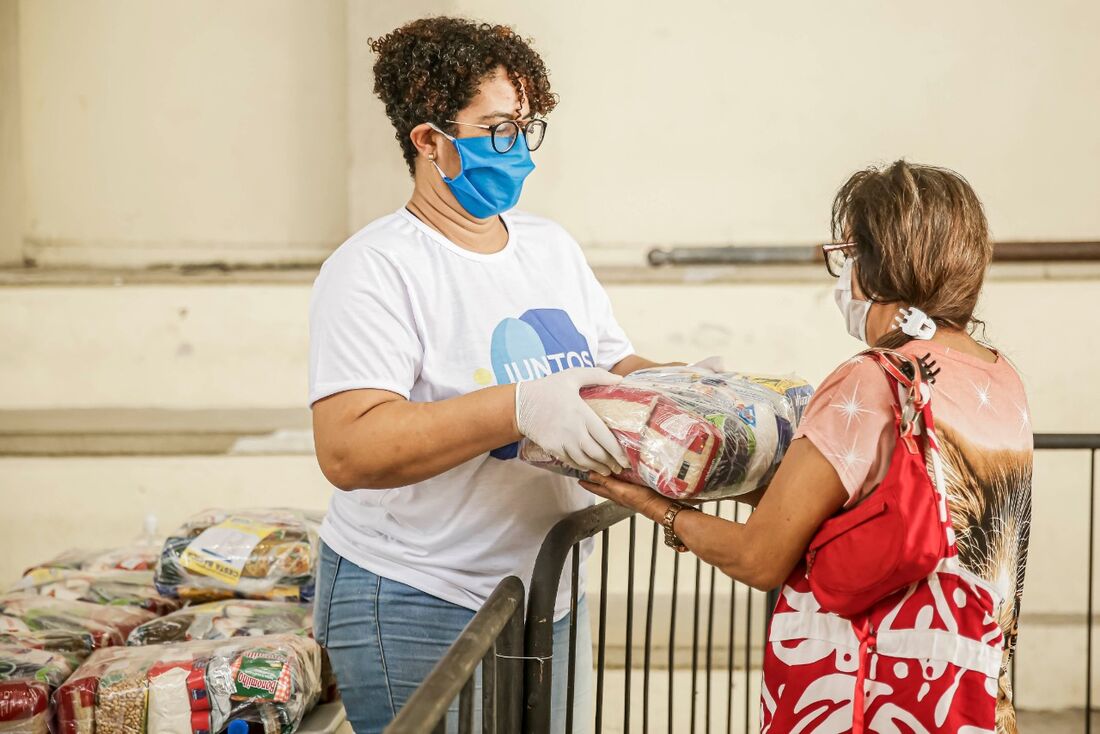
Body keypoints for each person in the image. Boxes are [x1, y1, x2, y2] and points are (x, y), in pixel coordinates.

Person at [308, 17, 694, 733]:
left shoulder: (548, 248)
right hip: (422, 597)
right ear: (430, 140)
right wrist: (516, 407)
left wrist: (688, 390)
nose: (519, 151)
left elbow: (613, 364)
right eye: (498, 130)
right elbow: (348, 449)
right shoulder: (376, 268)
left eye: (526, 126)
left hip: (542, 591)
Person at [582, 161, 1032, 733]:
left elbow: (759, 557)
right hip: (967, 697)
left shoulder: (874, 381)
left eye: (849, 255)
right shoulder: (1000, 376)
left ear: (883, 263)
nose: (844, 277)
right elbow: (898, 509)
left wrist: (659, 508)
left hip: (867, 699)